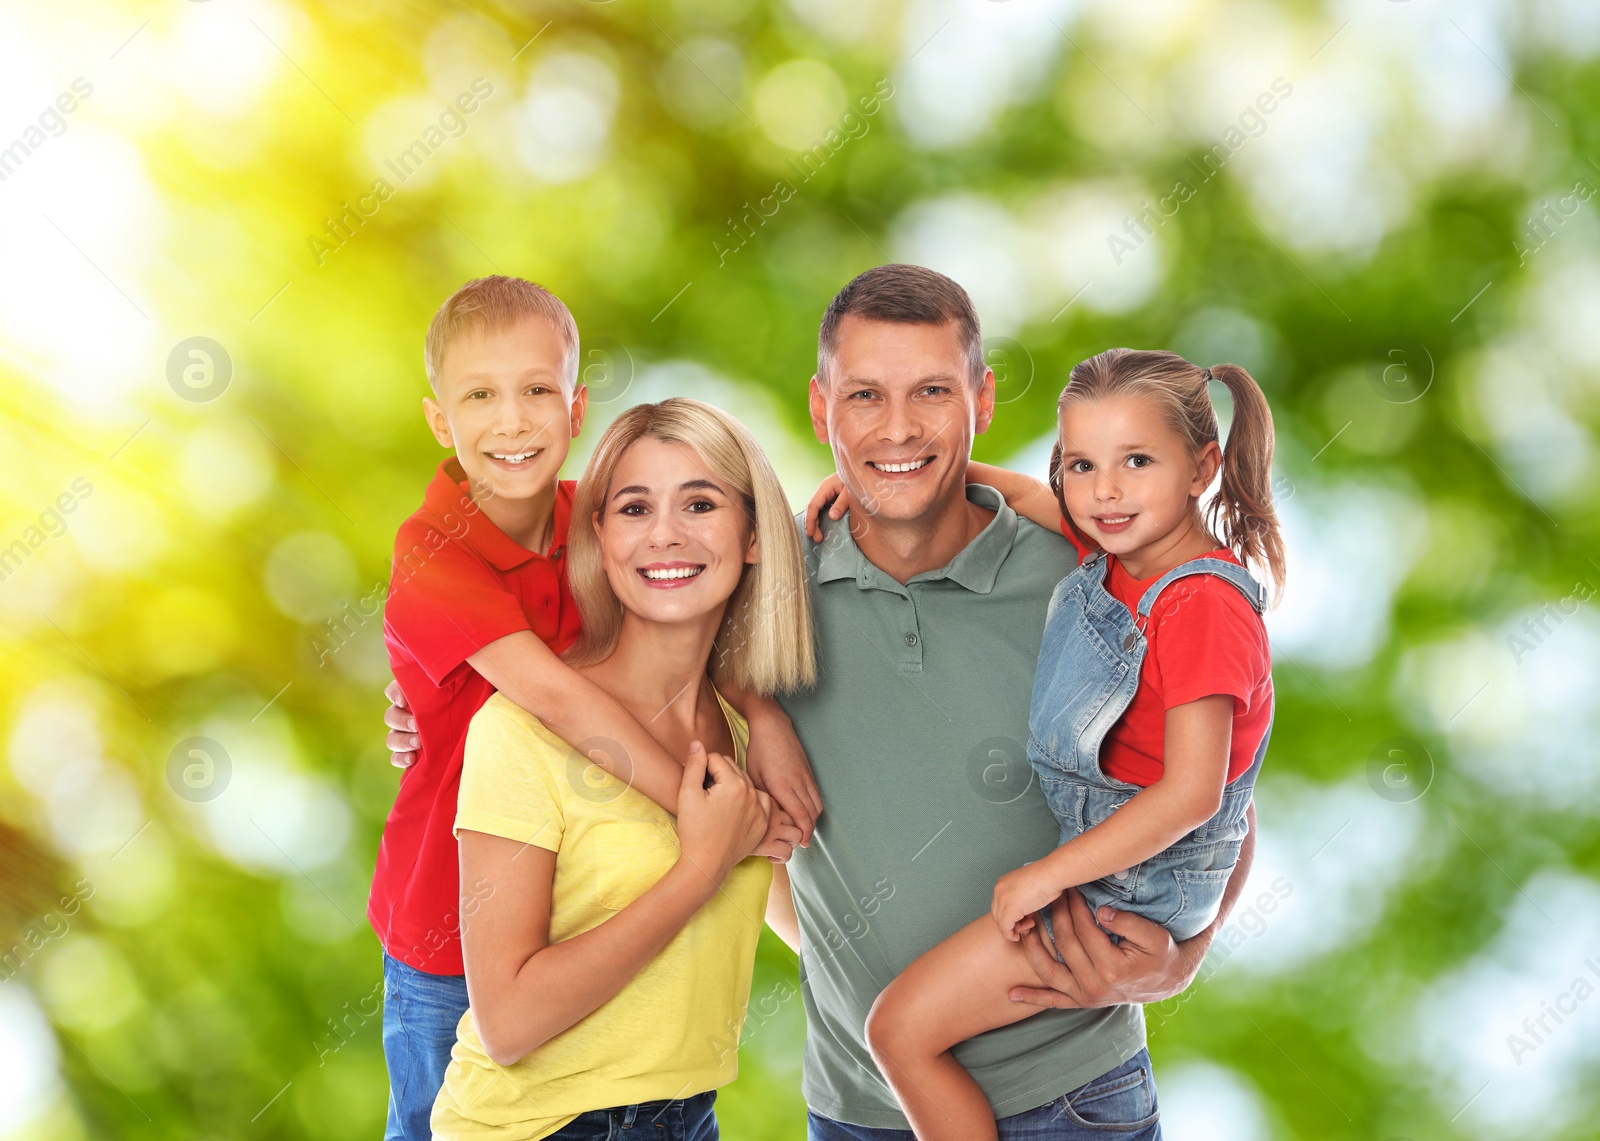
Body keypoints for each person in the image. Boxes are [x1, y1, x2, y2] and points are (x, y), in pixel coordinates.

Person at [782, 265, 1259, 1139]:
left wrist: (1182, 959)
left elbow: (1222, 794)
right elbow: (713, 794)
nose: (897, 428)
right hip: (853, 1112)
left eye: (932, 391)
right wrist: (827, 947)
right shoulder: (766, 589)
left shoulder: (1087, 580)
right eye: (864, 397)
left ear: (982, 398)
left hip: (1074, 1097)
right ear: (821, 410)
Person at [371, 277, 817, 1141]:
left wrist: (763, 716)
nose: (512, 420)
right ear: (439, 421)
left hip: (576, 906)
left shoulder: (597, 524)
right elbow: (563, 703)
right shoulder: (434, 553)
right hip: (442, 933)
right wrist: (722, 816)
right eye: (480, 396)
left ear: (576, 408)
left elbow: (687, 636)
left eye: (537, 390)